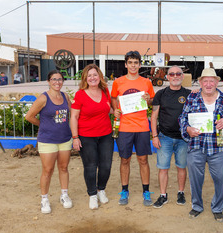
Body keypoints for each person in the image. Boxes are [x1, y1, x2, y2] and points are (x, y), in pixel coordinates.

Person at [179, 68, 223, 222]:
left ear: (217, 82)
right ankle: (197, 206)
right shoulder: (193, 97)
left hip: (218, 147)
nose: (208, 84)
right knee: (195, 179)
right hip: (196, 146)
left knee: (221, 178)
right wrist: (187, 129)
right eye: (205, 81)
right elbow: (183, 118)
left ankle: (218, 208)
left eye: (212, 81)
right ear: (200, 82)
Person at [111, 50, 155, 206]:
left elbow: (151, 102)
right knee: (125, 160)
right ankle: (124, 190)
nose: (133, 65)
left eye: (136, 62)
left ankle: (146, 191)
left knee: (143, 160)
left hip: (142, 126)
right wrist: (115, 110)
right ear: (125, 64)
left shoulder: (146, 82)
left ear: (140, 64)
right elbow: (114, 98)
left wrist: (148, 100)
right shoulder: (118, 82)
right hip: (124, 126)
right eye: (130, 62)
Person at [25, 70, 73, 214]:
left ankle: (64, 195)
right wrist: (43, 125)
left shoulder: (65, 96)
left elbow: (73, 113)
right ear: (48, 81)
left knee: (63, 168)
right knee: (48, 170)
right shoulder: (43, 98)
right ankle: (44, 199)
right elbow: (29, 116)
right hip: (48, 140)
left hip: (65, 138)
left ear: (63, 81)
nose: (57, 82)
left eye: (60, 79)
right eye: (54, 79)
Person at [70, 64, 114, 210]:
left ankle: (101, 189)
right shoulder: (80, 95)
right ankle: (92, 195)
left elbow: (109, 108)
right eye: (89, 76)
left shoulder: (105, 91)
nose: (92, 78)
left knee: (106, 166)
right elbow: (74, 117)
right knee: (90, 166)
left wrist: (116, 112)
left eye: (95, 75)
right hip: (86, 136)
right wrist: (75, 137)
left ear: (99, 76)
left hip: (106, 135)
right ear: (85, 79)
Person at [151, 66, 191, 208]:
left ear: (182, 76)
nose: (175, 76)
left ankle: (181, 192)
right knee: (163, 168)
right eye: (172, 74)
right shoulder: (160, 94)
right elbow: (154, 116)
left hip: (183, 139)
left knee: (181, 167)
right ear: (167, 77)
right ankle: (163, 195)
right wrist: (154, 136)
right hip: (164, 137)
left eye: (178, 74)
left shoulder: (189, 94)